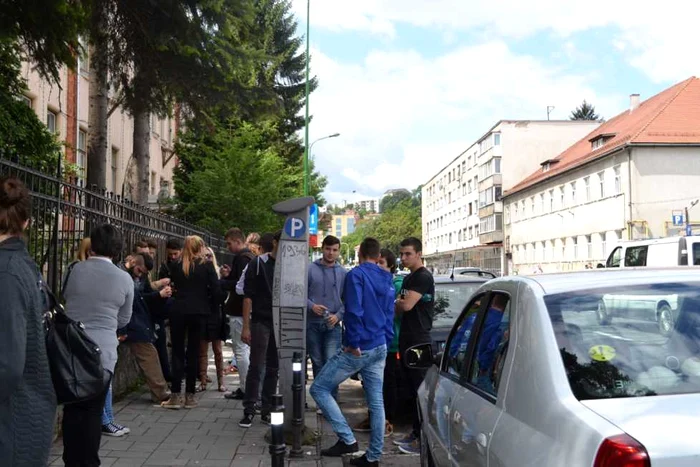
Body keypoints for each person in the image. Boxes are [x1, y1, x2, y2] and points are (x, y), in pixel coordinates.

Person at [311, 238, 394, 467]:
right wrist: (386, 339)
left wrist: (352, 342)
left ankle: (347, 439)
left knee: (318, 388)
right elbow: (389, 313)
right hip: (379, 345)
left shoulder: (356, 275)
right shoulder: (387, 277)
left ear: (359, 255)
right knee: (376, 402)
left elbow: (354, 311)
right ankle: (374, 455)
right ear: (378, 256)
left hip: (360, 347)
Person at [63, 223, 134, 466]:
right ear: (117, 249)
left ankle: (70, 459)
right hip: (102, 351)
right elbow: (124, 318)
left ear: (92, 244)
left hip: (71, 347)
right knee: (93, 411)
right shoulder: (124, 278)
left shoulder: (74, 270)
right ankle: (89, 461)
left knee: (72, 408)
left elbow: (66, 298)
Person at [0, 176, 57, 467]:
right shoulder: (23, 265)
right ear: (26, 223)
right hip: (27, 416)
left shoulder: (7, 272)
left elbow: (7, 366)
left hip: (12, 426)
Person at [161, 235, 221, 409]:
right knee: (194, 352)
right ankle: (190, 396)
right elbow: (216, 291)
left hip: (178, 311)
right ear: (200, 247)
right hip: (199, 312)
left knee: (178, 352)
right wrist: (211, 304)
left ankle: (175, 396)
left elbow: (174, 288)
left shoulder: (177, 266)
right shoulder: (207, 266)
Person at [354, 248, 402, 436]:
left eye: (382, 263)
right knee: (372, 384)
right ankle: (375, 418)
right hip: (373, 342)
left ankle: (386, 420)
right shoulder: (374, 282)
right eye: (376, 262)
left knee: (387, 382)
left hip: (389, 342)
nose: (378, 266)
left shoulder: (394, 284)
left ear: (391, 266)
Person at [393, 237, 435, 455]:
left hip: (419, 340)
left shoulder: (423, 277)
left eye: (408, 253)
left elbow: (405, 304)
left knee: (420, 390)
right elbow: (398, 307)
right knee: (411, 390)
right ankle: (415, 432)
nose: (403, 258)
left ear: (419, 253)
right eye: (401, 254)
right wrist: (400, 302)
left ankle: (422, 439)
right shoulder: (408, 279)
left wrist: (401, 302)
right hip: (407, 339)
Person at [238, 232, 280, 427]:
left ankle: (267, 408)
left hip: (279, 322)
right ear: (275, 243)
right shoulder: (258, 264)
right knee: (257, 365)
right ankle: (249, 408)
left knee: (273, 367)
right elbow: (248, 296)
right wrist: (246, 326)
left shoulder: (289, 266)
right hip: (262, 320)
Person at [118, 253, 172, 403]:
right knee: (148, 353)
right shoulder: (122, 274)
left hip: (135, 321)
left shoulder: (136, 276)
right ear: (132, 262)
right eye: (139, 270)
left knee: (150, 352)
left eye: (143, 272)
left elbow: (142, 297)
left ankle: (160, 391)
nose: (140, 274)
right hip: (130, 323)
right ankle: (160, 392)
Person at [307, 235, 346, 396]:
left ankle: (332, 398)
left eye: (334, 250)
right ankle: (320, 397)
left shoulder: (343, 273)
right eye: (328, 249)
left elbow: (349, 301)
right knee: (317, 362)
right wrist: (311, 306)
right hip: (312, 323)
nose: (331, 253)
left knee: (331, 362)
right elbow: (299, 294)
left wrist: (338, 316)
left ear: (338, 252)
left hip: (333, 323)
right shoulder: (310, 269)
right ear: (322, 249)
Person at [221, 228, 255, 401]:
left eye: (228, 243)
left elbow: (240, 286)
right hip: (245, 310)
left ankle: (246, 388)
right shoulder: (250, 257)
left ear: (237, 241)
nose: (227, 247)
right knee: (245, 350)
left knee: (241, 350)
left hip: (239, 309)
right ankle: (248, 387)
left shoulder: (242, 258)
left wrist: (223, 282)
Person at [198, 247, 228, 392]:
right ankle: (203, 381)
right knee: (203, 350)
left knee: (218, 350)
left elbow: (222, 294)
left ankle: (221, 381)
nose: (208, 258)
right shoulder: (199, 271)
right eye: (205, 256)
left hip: (215, 313)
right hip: (204, 312)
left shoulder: (217, 272)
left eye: (210, 255)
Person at [156, 237, 184, 383]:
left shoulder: (185, 265)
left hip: (182, 305)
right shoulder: (165, 266)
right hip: (169, 303)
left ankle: (181, 369)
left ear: (181, 252)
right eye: (170, 254)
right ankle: (173, 372)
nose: (172, 257)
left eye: (175, 254)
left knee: (180, 342)